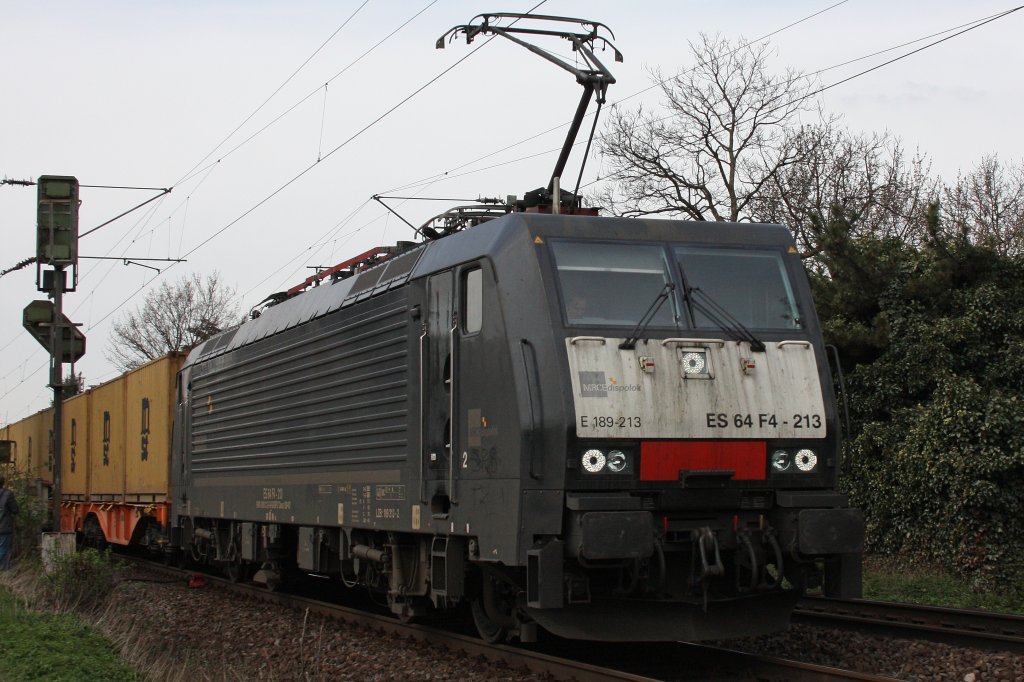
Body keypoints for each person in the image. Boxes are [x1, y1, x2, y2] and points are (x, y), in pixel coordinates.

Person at [0, 475, 19, 570]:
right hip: (4, 526)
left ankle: (6, 570)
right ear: (3, 482)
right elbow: (15, 509)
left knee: (4, 549)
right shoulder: (8, 494)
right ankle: (5, 569)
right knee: (4, 549)